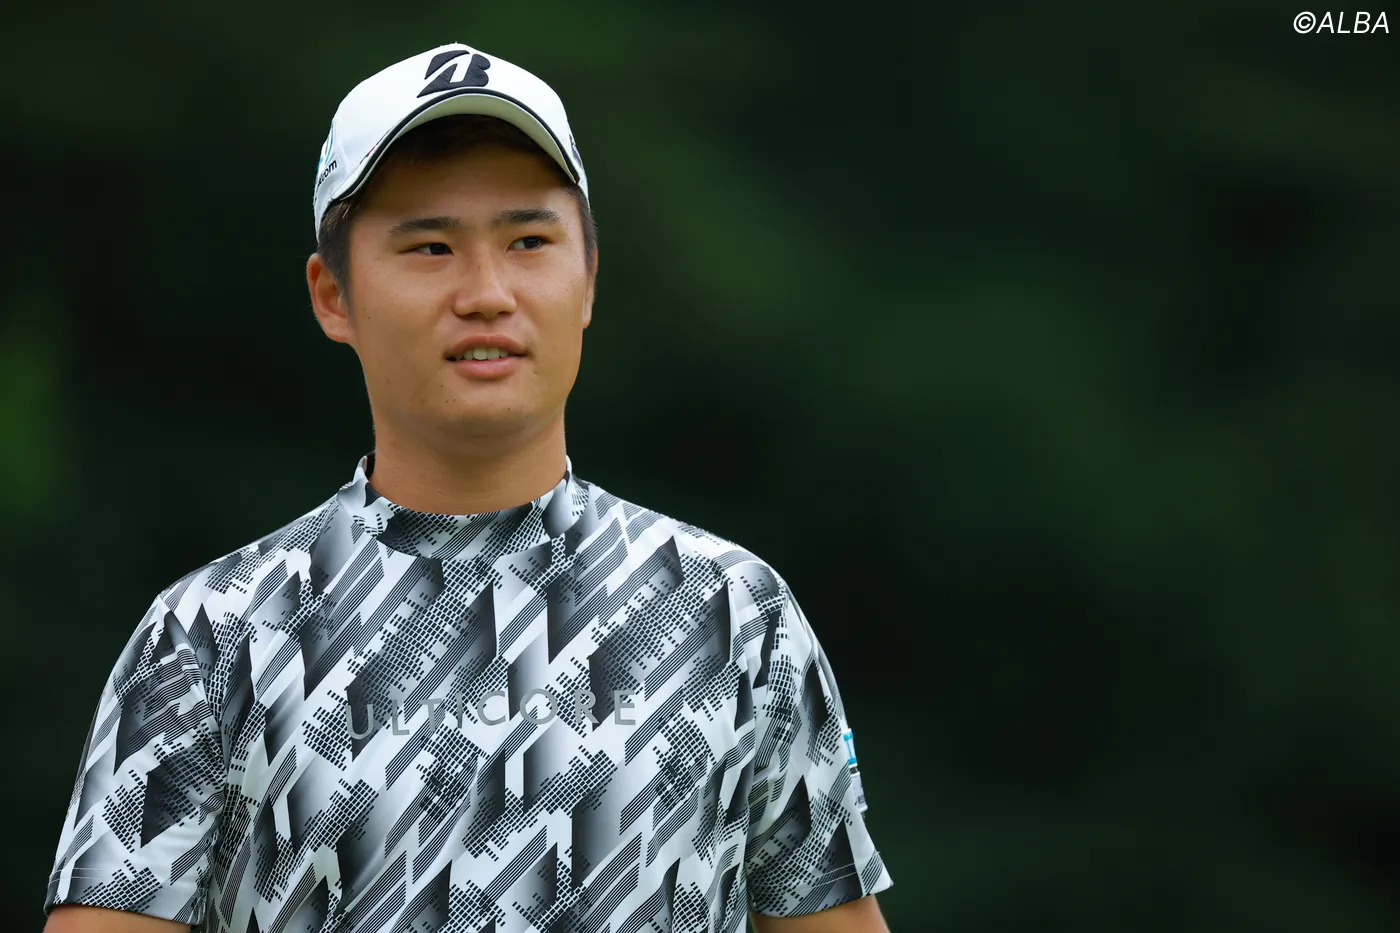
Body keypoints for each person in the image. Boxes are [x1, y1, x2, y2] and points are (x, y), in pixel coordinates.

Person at [40, 42, 894, 933]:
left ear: (589, 278)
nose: (487, 292)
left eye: (528, 241)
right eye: (431, 246)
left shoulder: (734, 615)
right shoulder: (210, 639)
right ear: (333, 295)